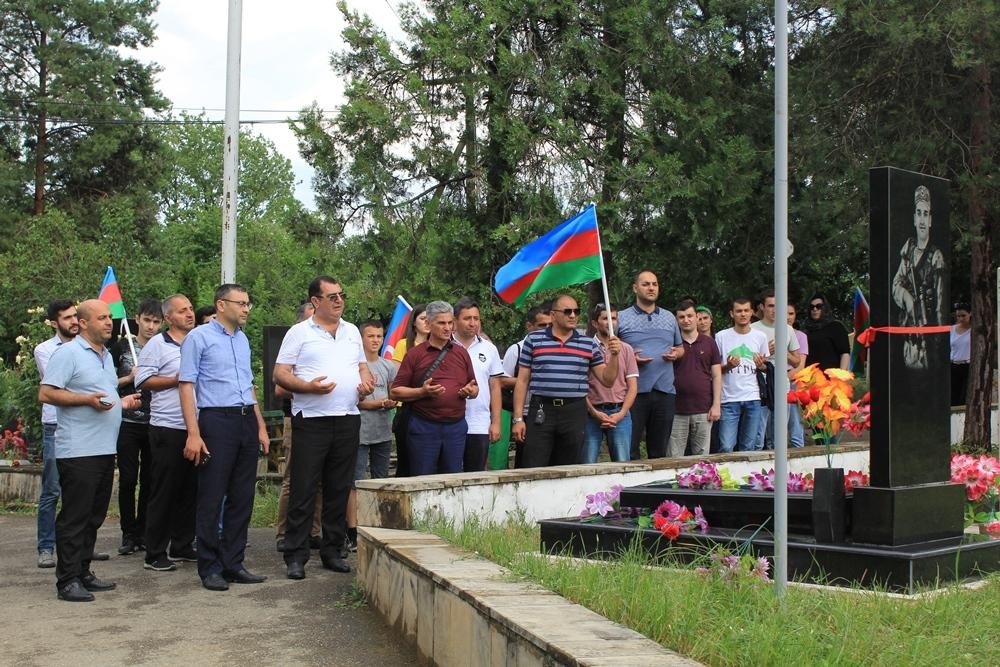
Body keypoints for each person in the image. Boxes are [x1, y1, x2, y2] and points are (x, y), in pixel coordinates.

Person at [38, 299, 141, 602]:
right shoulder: (67, 353)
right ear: (83, 323)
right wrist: (86, 401)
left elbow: (104, 395)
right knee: (75, 516)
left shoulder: (105, 355)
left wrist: (122, 402)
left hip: (104, 448)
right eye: (102, 318)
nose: (109, 322)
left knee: (94, 516)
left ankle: (82, 571)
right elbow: (46, 393)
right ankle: (67, 580)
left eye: (110, 317)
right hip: (78, 450)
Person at [274, 276, 374, 580]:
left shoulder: (352, 331)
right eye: (332, 297)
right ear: (316, 301)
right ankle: (296, 554)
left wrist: (367, 380)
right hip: (312, 419)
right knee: (304, 487)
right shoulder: (299, 333)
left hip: (347, 416)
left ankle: (332, 550)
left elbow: (361, 365)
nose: (339, 301)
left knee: (339, 487)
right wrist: (306, 386)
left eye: (341, 295)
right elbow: (280, 373)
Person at [179, 284, 270, 592]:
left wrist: (260, 426)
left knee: (242, 496)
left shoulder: (242, 340)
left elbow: (248, 385)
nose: (246, 308)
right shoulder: (199, 337)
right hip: (216, 420)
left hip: (245, 420)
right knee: (212, 495)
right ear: (221, 305)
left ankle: (233, 562)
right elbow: (186, 385)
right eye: (240, 303)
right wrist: (194, 432)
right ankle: (210, 567)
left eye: (248, 303)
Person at [511, 294, 620, 467]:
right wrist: (518, 419)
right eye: (567, 311)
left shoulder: (587, 344)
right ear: (553, 315)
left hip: (574, 411)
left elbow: (607, 380)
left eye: (576, 311)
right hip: (541, 409)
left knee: (569, 467)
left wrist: (614, 356)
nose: (573, 315)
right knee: (533, 466)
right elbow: (522, 381)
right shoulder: (534, 340)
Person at [134, 294, 198, 572]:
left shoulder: (198, 341)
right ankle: (155, 551)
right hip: (167, 426)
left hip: (196, 428)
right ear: (168, 317)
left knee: (190, 489)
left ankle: (183, 544)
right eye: (182, 311)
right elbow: (143, 381)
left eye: (191, 309)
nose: (189, 314)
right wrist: (178, 380)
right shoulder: (158, 345)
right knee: (164, 490)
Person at [390, 301, 478, 476]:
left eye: (449, 323)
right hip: (424, 426)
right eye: (441, 323)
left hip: (456, 427)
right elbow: (395, 391)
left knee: (453, 480)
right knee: (423, 480)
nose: (447, 328)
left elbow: (474, 388)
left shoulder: (461, 353)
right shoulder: (415, 354)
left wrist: (470, 391)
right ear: (429, 324)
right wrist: (421, 392)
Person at [616, 270, 684, 460]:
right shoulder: (621, 317)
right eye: (646, 284)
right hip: (632, 394)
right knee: (630, 450)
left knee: (659, 451)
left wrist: (676, 354)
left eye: (654, 284)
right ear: (635, 288)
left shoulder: (670, 317)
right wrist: (629, 359)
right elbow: (609, 350)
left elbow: (680, 348)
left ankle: (657, 490)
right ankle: (630, 489)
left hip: (664, 392)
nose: (651, 287)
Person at [113, 299, 162, 555]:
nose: (151, 326)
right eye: (147, 320)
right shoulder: (121, 347)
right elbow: (106, 382)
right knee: (128, 479)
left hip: (154, 421)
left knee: (150, 480)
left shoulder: (162, 348)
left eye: (156, 322)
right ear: (137, 319)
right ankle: (128, 532)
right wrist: (129, 378)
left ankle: (143, 531)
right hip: (127, 423)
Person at [33, 300, 79, 569]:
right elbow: (62, 384)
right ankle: (46, 547)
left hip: (81, 425)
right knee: (52, 490)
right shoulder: (45, 350)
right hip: (55, 425)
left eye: (75, 315)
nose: (74, 321)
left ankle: (78, 546)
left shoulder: (90, 348)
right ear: (54, 323)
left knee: (79, 490)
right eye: (67, 317)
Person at [274, 303, 323, 553]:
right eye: (313, 318)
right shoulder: (295, 341)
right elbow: (279, 388)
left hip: (325, 419)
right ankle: (284, 532)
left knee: (319, 480)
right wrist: (309, 388)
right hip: (297, 418)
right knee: (294, 477)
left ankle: (313, 531)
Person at [346, 319, 398, 551]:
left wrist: (390, 402)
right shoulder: (352, 365)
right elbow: (351, 401)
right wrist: (373, 404)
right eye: (370, 336)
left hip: (382, 432)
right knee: (355, 482)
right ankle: (352, 530)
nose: (375, 340)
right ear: (361, 338)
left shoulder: (388, 367)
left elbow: (394, 393)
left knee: (381, 479)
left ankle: (377, 525)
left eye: (379, 336)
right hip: (358, 432)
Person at [892, 184, 946, 370]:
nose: (922, 219)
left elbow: (940, 306)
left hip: (928, 341)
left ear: (930, 220)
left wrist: (937, 342)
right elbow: (896, 283)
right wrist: (907, 298)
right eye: (919, 213)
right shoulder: (908, 251)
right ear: (914, 218)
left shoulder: (936, 257)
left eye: (926, 214)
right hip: (910, 340)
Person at [582, 304, 638, 463]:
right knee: (587, 464)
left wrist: (621, 413)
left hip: (620, 412)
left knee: (622, 465)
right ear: (594, 323)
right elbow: (580, 385)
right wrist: (593, 412)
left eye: (613, 318)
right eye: (605, 318)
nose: (610, 322)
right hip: (592, 414)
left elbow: (632, 386)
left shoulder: (626, 349)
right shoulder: (586, 348)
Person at [452, 297, 503, 472]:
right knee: (448, 475)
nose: (472, 323)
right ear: (455, 321)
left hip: (479, 423)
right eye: (467, 318)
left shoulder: (489, 349)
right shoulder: (445, 346)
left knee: (475, 475)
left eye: (476, 318)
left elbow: (495, 386)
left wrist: (496, 422)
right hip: (448, 422)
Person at [498, 303, 551, 469]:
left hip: (551, 412)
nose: (547, 329)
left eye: (550, 325)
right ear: (529, 326)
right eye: (542, 325)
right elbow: (503, 381)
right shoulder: (517, 350)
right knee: (526, 461)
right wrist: (529, 380)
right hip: (526, 413)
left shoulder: (556, 348)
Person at [715, 297, 769, 453]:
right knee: (726, 446)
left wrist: (762, 366)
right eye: (739, 311)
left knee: (749, 447)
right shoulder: (721, 336)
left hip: (753, 397)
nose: (743, 314)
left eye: (746, 310)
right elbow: (715, 369)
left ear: (752, 312)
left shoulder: (760, 337)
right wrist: (728, 366)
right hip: (729, 399)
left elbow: (765, 368)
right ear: (732, 314)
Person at [669, 299, 722, 457]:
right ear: (676, 320)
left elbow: (717, 374)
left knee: (702, 458)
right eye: (681, 317)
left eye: (690, 316)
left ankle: (701, 483)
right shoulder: (671, 344)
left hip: (703, 409)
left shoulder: (709, 343)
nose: (686, 320)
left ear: (697, 317)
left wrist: (716, 405)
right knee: (674, 457)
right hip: (676, 409)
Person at [750, 290, 801, 450]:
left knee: (779, 434)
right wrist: (767, 353)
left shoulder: (788, 329)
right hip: (758, 388)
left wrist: (783, 352)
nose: (774, 310)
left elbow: (797, 360)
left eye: (778, 306)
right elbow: (746, 361)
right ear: (762, 307)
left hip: (782, 386)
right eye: (771, 306)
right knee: (758, 433)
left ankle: (778, 472)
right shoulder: (752, 329)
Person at [390, 303, 428, 477]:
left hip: (431, 409)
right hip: (407, 408)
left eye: (430, 318)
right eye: (422, 318)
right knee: (406, 462)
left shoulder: (443, 346)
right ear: (414, 322)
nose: (427, 322)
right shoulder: (404, 345)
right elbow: (396, 379)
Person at [802, 294, 850, 371]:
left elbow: (844, 353)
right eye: (812, 307)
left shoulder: (835, 326)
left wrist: (841, 375)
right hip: (809, 377)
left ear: (824, 308)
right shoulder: (806, 329)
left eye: (818, 306)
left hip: (831, 377)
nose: (815, 309)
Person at [787, 304, 808, 447]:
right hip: (771, 381)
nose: (788, 317)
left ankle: (798, 447)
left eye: (791, 313)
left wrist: (783, 379)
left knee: (794, 418)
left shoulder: (801, 336)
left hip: (793, 381)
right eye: (784, 313)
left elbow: (801, 365)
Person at [950, 302, 971, 406]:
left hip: (967, 365)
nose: (961, 318)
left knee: (964, 395)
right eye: (958, 316)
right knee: (953, 394)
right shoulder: (951, 329)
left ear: (969, 314)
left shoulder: (974, 330)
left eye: (963, 315)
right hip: (953, 365)